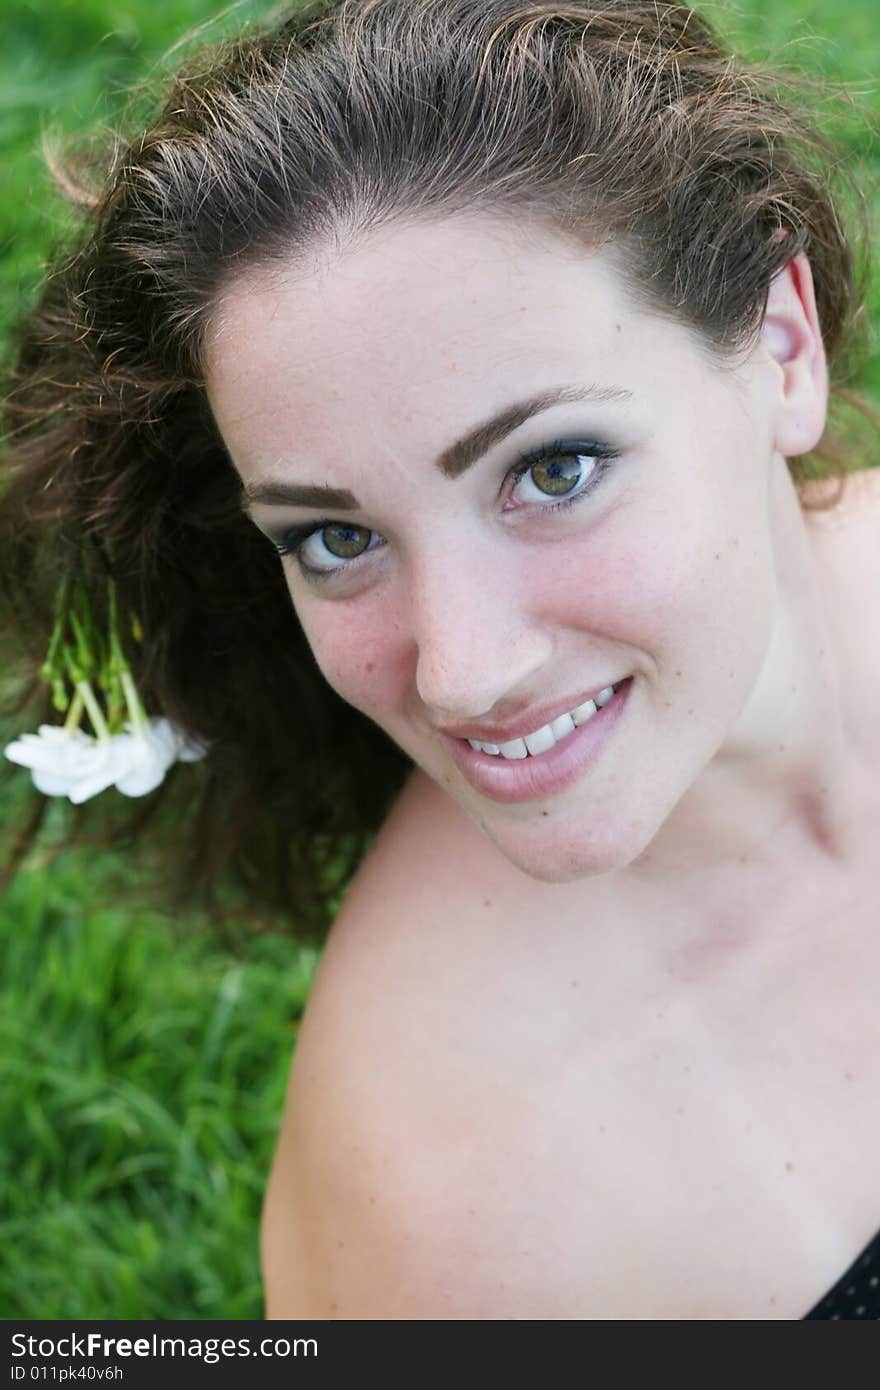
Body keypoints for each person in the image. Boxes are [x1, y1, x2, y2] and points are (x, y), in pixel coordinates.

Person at [2, 0, 879, 1320]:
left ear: (781, 342)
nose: (461, 671)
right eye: (337, 535)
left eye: (554, 469)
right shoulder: (456, 1220)